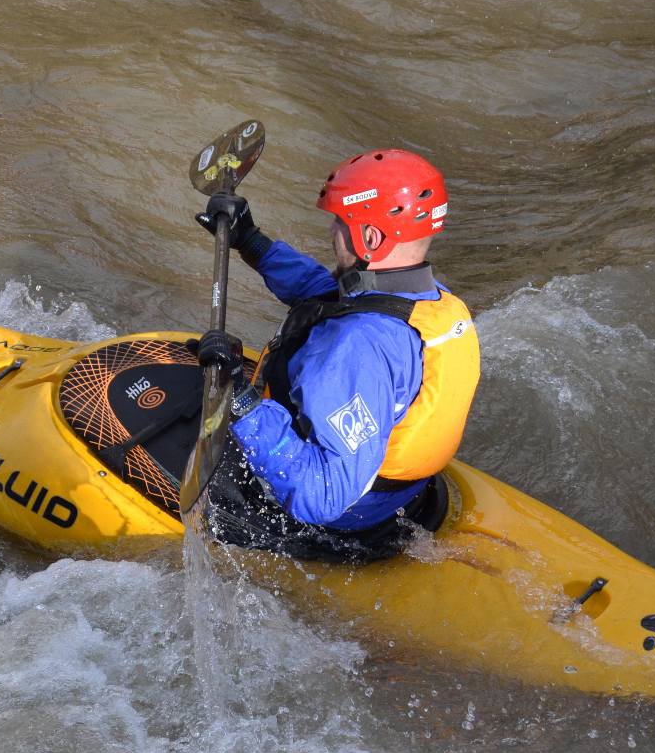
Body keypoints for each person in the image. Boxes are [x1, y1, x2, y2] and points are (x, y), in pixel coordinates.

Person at [194, 148, 479, 556]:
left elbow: (325, 494)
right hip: (400, 494)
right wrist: (252, 243)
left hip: (343, 514)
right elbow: (327, 295)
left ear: (371, 237)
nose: (332, 230)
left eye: (341, 222)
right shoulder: (428, 299)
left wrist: (239, 399)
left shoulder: (353, 350)